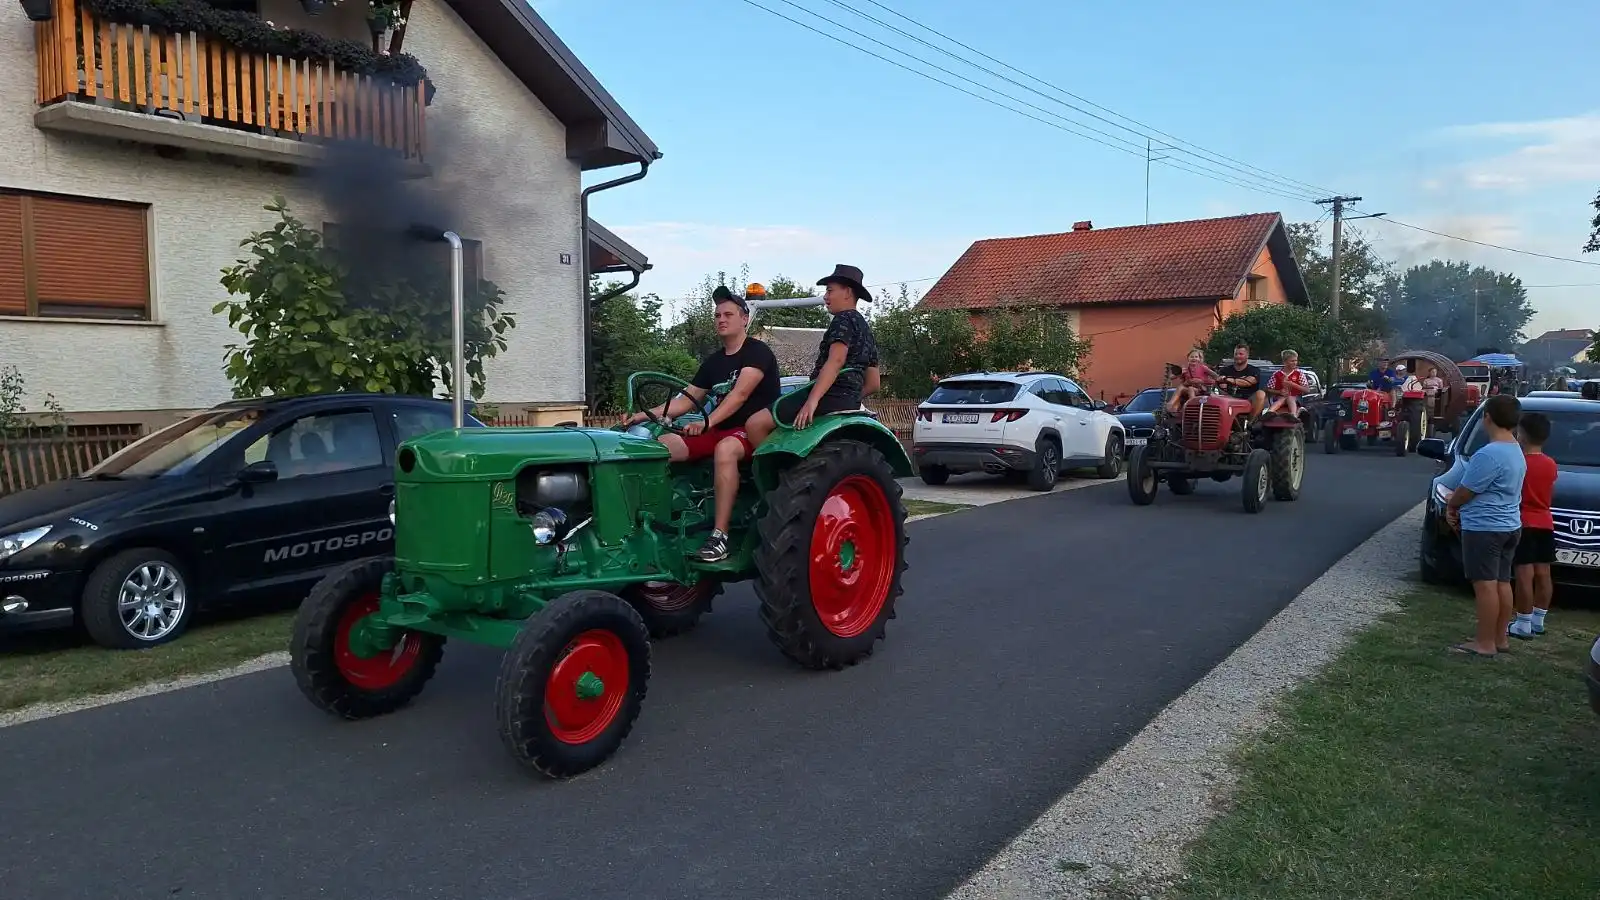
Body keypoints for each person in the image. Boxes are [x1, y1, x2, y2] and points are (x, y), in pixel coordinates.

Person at [625, 284, 782, 562]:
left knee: (725, 449)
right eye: (717, 315)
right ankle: (654, 523)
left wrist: (707, 423)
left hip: (752, 432)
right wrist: (643, 415)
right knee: (660, 446)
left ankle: (720, 537)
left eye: (728, 314)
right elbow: (686, 400)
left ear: (744, 318)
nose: (721, 319)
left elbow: (739, 395)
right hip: (719, 429)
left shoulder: (757, 352)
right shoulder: (714, 362)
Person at [745, 264, 881, 445]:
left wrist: (812, 401)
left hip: (827, 397)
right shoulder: (866, 330)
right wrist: (850, 398)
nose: (825, 296)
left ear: (847, 292)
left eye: (830, 291)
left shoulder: (843, 319)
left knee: (755, 424)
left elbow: (836, 361)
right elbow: (874, 384)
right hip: (849, 401)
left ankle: (778, 463)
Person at [1444, 393, 1526, 658]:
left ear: (1487, 417)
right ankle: (1500, 637)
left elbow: (1467, 490)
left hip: (1485, 527)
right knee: (1502, 582)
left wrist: (1452, 503)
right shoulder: (1516, 450)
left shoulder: (1488, 454)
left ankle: (1484, 643)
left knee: (1485, 585)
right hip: (1510, 524)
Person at [1510, 412, 1558, 640]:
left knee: (1524, 573)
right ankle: (1539, 619)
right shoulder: (1550, 464)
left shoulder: (1520, 463)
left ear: (1522, 435)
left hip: (1524, 520)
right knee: (1544, 573)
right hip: (1545, 521)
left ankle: (1523, 622)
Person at [1214, 343, 1266, 419]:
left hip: (1248, 398)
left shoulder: (1254, 370)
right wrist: (1241, 380)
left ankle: (1251, 422)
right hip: (1229, 398)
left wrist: (1227, 379)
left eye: (1241, 354)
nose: (1238, 356)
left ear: (1247, 355)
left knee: (1261, 394)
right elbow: (1220, 385)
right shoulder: (1224, 370)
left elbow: (1248, 382)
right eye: (1236, 354)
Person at [1166, 348, 1217, 414]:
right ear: (1188, 358)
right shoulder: (1186, 369)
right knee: (1181, 387)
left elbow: (1215, 376)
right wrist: (1180, 373)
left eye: (1196, 357)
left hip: (1200, 390)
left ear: (1199, 359)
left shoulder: (1203, 367)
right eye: (1192, 357)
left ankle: (1192, 406)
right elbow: (1171, 378)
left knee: (1191, 389)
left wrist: (1202, 381)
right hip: (1187, 389)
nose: (1194, 358)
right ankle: (1170, 404)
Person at [1265, 349, 1309, 417]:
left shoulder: (1299, 374)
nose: (1295, 363)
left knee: (1290, 397)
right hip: (1280, 397)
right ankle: (1269, 412)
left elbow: (1307, 390)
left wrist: (1293, 384)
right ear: (1285, 362)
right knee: (1282, 398)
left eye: (1296, 360)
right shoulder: (1277, 374)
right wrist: (1279, 392)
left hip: (1296, 398)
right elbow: (1268, 389)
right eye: (1292, 361)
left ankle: (1293, 415)